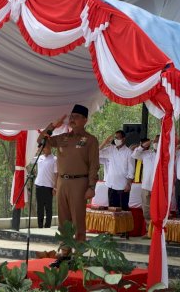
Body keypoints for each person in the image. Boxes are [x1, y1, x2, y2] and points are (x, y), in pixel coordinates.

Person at [40, 104, 100, 249]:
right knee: (63, 220)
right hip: (62, 182)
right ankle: (65, 251)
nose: (72, 119)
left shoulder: (90, 140)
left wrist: (91, 186)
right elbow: (41, 141)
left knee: (78, 219)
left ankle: (79, 253)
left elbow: (94, 165)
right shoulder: (62, 137)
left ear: (85, 120)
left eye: (76, 117)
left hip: (79, 182)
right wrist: (53, 125)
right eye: (71, 117)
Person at [100, 130, 135, 211]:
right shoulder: (111, 149)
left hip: (123, 186)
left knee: (123, 211)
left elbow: (131, 170)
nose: (116, 140)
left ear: (123, 139)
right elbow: (97, 152)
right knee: (112, 211)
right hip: (111, 185)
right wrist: (105, 142)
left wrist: (129, 184)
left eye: (118, 138)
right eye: (115, 138)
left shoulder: (129, 152)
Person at [131, 135, 158, 222]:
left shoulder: (166, 154)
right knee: (146, 210)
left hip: (158, 187)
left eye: (158, 141)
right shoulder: (147, 153)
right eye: (155, 141)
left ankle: (156, 232)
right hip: (146, 186)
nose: (156, 143)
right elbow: (134, 155)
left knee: (157, 209)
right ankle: (148, 231)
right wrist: (143, 146)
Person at [34, 143, 57, 228]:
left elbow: (56, 174)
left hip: (49, 186)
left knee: (48, 208)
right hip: (39, 185)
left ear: (50, 147)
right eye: (43, 148)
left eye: (46, 147)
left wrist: (55, 187)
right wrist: (39, 149)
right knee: (39, 207)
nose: (44, 149)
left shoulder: (54, 159)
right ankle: (40, 225)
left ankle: (47, 226)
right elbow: (31, 160)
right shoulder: (40, 157)